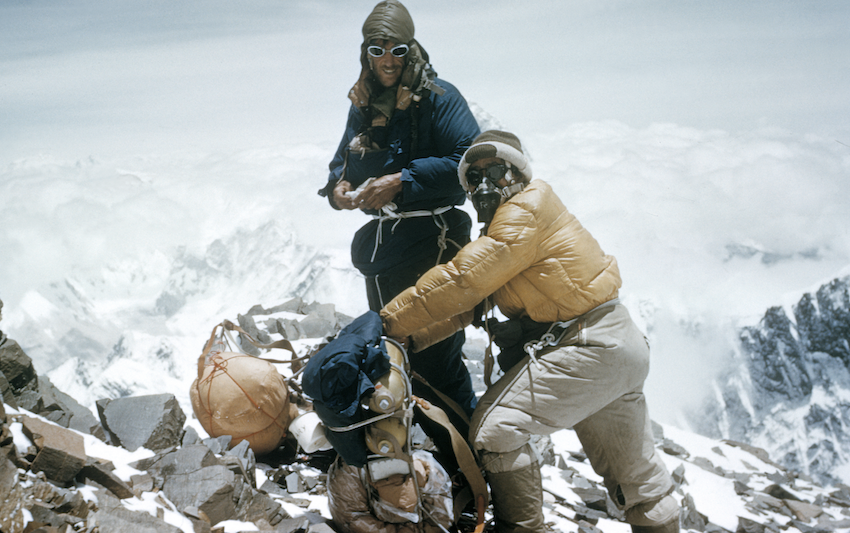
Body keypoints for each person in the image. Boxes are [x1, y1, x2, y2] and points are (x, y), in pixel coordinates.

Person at [381, 131, 679, 533]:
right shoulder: (515, 226)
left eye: (497, 171)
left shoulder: (524, 212)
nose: (486, 184)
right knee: (639, 483)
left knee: (494, 431)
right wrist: (408, 338)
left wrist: (384, 323)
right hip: (617, 348)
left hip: (588, 345)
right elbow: (468, 305)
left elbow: (462, 281)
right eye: (475, 176)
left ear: (519, 173)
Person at [319, 0, 480, 418]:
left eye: (397, 49)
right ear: (366, 54)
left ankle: (472, 460)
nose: (387, 60)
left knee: (436, 356)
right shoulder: (364, 104)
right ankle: (421, 459)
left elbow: (469, 160)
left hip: (435, 244)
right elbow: (342, 162)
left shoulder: (440, 98)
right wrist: (339, 189)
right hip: (387, 252)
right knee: (391, 349)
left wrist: (401, 181)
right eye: (377, 49)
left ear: (412, 49)